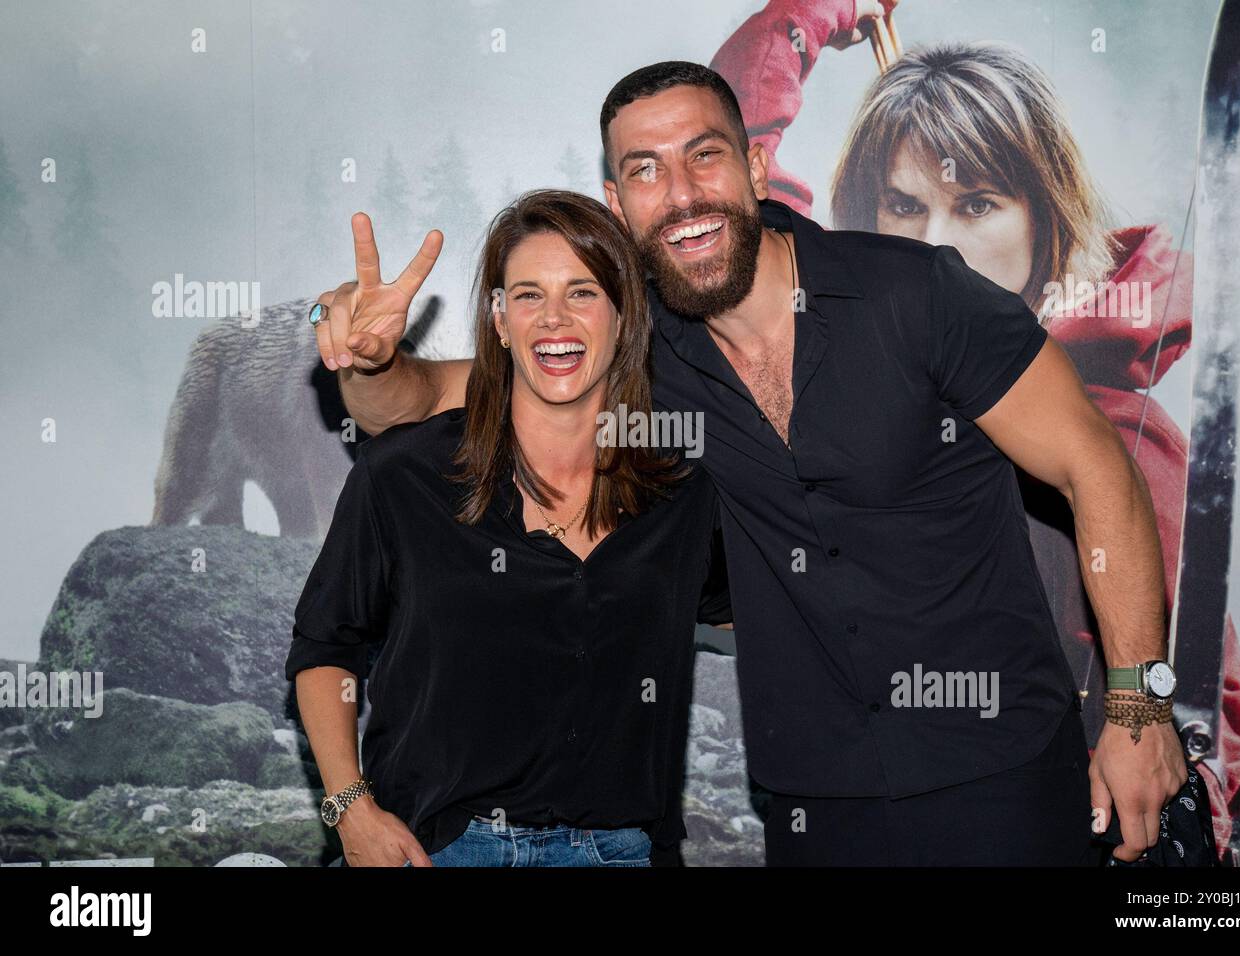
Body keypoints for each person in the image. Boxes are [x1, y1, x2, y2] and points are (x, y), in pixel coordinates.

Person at [312, 61, 1186, 866]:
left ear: (757, 169)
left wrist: (1138, 705)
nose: (681, 193)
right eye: (646, 171)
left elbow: (1094, 465)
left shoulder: (917, 294)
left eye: (704, 155)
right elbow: (424, 400)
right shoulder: (636, 353)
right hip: (818, 801)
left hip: (1001, 771)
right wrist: (372, 358)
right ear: (619, 204)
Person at [708, 0, 1240, 859]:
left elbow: (1208, 698)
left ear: (1043, 222)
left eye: (975, 205)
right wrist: (813, 13)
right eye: (903, 206)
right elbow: (729, 194)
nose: (936, 245)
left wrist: (1169, 785)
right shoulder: (830, 347)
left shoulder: (1115, 430)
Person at [286, 189, 730, 867]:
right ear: (498, 319)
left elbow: (761, 610)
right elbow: (324, 648)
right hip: (436, 849)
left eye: (582, 292)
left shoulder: (682, 491)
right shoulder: (406, 475)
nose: (553, 318)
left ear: (622, 317)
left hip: (622, 852)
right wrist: (352, 811)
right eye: (527, 295)